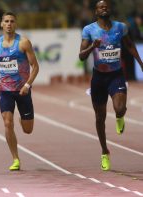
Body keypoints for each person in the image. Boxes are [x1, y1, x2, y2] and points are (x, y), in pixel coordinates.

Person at [79, 0, 143, 171]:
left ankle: (120, 116)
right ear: (96, 11)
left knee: (119, 107)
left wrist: (140, 62)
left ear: (110, 9)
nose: (104, 8)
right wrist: (93, 46)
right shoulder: (89, 30)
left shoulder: (120, 27)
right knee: (100, 118)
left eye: (106, 6)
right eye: (100, 6)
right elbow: (81, 56)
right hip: (99, 78)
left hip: (116, 75)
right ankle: (105, 151)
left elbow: (129, 44)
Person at [0, 12, 39, 171]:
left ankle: (23, 119)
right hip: (5, 90)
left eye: (12, 21)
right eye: (6, 21)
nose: (9, 24)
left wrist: (27, 85)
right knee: (7, 123)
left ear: (15, 24)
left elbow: (35, 66)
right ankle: (15, 158)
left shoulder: (23, 43)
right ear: (1, 24)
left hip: (23, 90)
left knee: (28, 130)